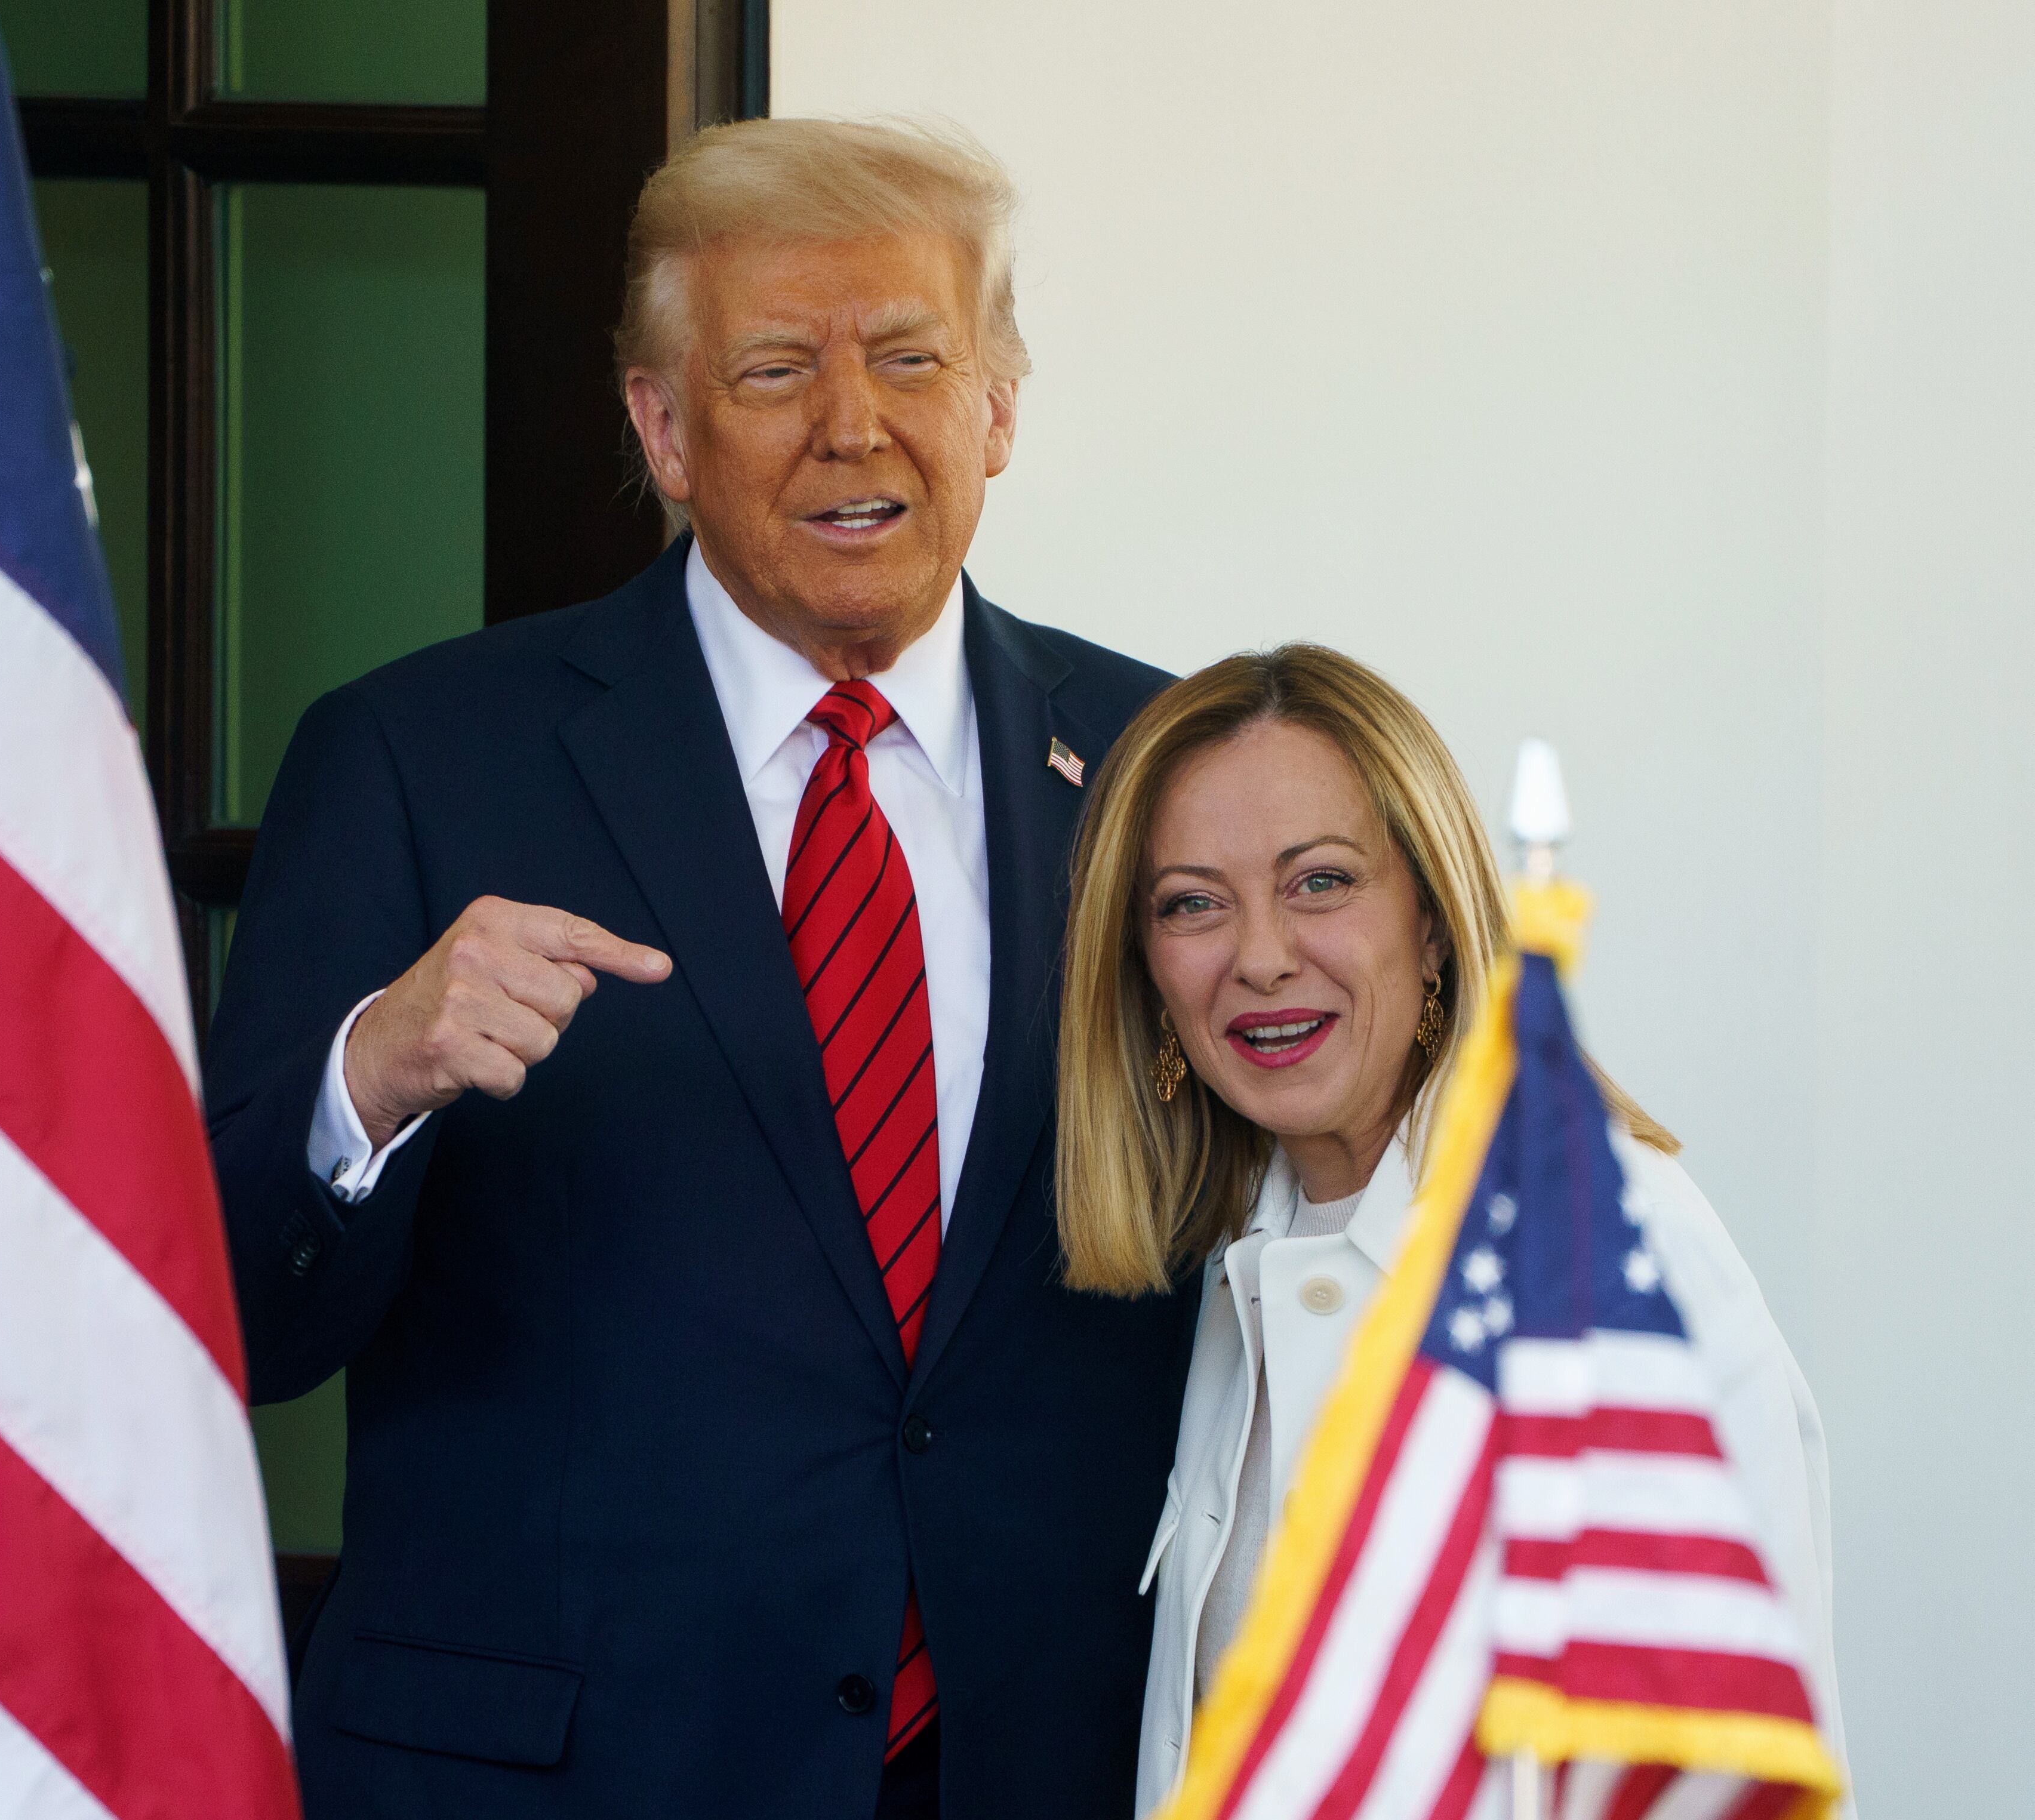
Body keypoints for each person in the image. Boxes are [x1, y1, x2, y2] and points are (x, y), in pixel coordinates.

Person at [204, 119, 1190, 1817]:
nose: (851, 423)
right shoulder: (417, 757)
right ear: (662, 429)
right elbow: (225, 1309)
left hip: (1037, 1763)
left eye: (908, 358)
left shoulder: (1160, 765)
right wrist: (370, 1075)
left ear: (998, 407)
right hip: (567, 1774)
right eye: (773, 367)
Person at [1050, 645, 1851, 1816]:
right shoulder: (1236, 1270)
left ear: (1430, 919)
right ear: (1147, 972)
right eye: (1191, 904)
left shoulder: (1602, 1252)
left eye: (1319, 881)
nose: (1260, 955)